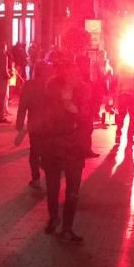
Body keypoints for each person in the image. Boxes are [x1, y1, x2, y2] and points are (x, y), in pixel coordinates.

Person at [36, 61, 90, 242]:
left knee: (73, 190)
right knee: (52, 187)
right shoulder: (51, 89)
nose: (73, 76)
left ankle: (67, 227)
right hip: (53, 146)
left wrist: (74, 109)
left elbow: (86, 118)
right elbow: (44, 117)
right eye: (69, 72)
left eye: (75, 72)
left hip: (74, 147)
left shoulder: (83, 91)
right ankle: (53, 218)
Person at [16, 61, 50, 188]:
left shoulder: (29, 85)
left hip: (34, 124)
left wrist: (20, 123)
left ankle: (36, 178)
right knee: (47, 151)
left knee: (34, 151)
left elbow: (23, 105)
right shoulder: (49, 85)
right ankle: (49, 175)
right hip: (49, 124)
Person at [113, 63, 134, 144]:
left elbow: (118, 87)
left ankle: (118, 134)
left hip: (123, 96)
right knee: (133, 117)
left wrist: (116, 100)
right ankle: (130, 137)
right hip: (132, 96)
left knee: (121, 116)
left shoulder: (121, 74)